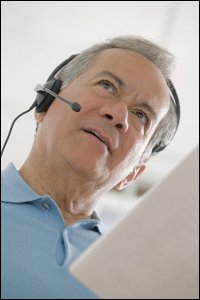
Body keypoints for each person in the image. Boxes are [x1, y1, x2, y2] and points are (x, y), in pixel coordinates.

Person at [1, 35, 179, 299]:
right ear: (45, 103)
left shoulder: (133, 278)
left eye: (141, 115)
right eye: (107, 85)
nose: (118, 115)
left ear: (133, 173)